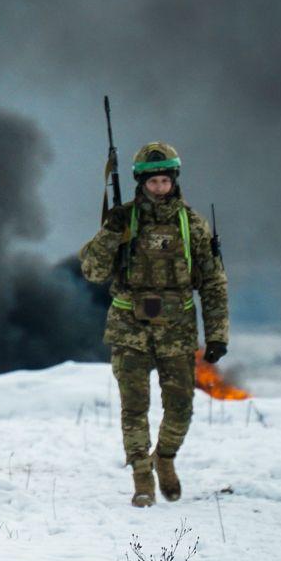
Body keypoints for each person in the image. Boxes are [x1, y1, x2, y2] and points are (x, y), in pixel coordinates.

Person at [78, 141, 231, 507]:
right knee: (135, 407)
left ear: (173, 180)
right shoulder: (123, 220)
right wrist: (109, 234)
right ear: (140, 182)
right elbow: (93, 271)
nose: (159, 188)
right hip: (129, 327)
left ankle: (165, 458)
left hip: (176, 329)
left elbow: (213, 281)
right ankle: (141, 475)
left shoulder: (191, 224)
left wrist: (217, 335)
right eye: (153, 182)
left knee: (180, 406)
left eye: (164, 180)